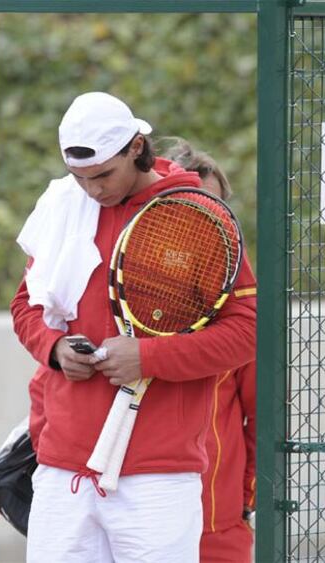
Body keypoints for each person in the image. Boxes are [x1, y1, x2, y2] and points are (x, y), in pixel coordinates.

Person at [11, 92, 256, 563]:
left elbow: (246, 331)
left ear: (136, 149)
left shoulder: (196, 214)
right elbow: (26, 305)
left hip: (159, 476)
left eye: (104, 175)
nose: (94, 191)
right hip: (63, 469)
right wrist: (56, 349)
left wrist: (147, 358)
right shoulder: (61, 205)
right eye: (81, 179)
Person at [165, 138, 256, 563]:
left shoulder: (241, 308)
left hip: (217, 522)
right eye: (195, 209)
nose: (209, 223)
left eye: (218, 210)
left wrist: (242, 496)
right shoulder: (124, 292)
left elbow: (261, 415)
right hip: (139, 515)